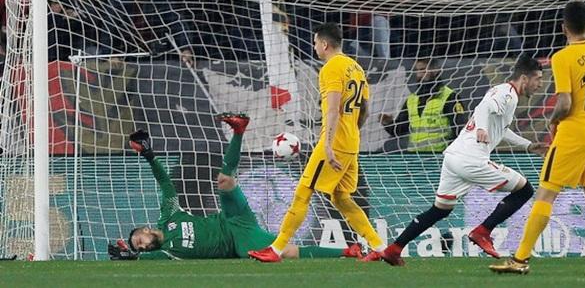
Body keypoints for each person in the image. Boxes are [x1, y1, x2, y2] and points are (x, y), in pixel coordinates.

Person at [490, 1, 585, 276]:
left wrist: (553, 119)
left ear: (563, 28)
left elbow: (565, 102)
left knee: (546, 193)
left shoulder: (562, 57)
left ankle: (520, 260)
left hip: (573, 134)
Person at [108, 113, 363, 260]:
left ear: (145, 228)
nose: (141, 245)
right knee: (288, 252)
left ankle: (239, 130)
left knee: (224, 181)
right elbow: (146, 259)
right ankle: (348, 251)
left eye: (139, 239)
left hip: (232, 218)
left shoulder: (169, 216)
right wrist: (132, 257)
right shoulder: (168, 254)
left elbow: (165, 184)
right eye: (139, 246)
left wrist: (150, 156)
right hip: (238, 241)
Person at [379, 55, 548, 266]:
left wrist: (528, 146)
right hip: (471, 159)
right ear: (524, 78)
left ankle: (394, 249)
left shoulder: (503, 91)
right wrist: (482, 128)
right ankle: (483, 231)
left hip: (453, 157)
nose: (540, 84)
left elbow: (502, 129)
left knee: (440, 209)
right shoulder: (508, 94)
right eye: (538, 79)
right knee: (524, 190)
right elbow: (484, 108)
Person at [248, 23, 386, 262]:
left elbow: (332, 110)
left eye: (314, 43)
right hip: (352, 142)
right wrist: (351, 132)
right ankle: (379, 246)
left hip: (334, 142)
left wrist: (330, 145)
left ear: (324, 44)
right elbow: (364, 109)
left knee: (303, 191)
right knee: (341, 198)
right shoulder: (356, 67)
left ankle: (276, 249)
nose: (314, 48)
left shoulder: (331, 68)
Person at [380, 58, 467, 153]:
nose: (419, 74)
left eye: (423, 69)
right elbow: (399, 130)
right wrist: (387, 123)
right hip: (414, 159)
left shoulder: (449, 97)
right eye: (417, 70)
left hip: (439, 157)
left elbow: (460, 130)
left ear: (435, 70)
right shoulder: (411, 100)